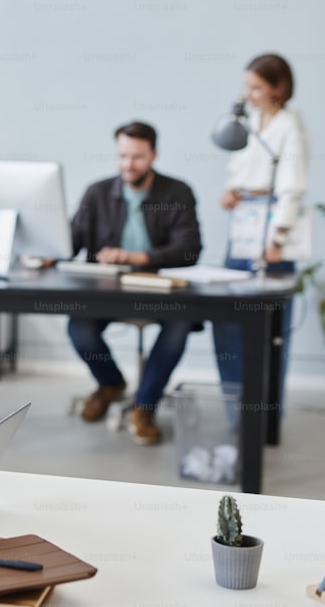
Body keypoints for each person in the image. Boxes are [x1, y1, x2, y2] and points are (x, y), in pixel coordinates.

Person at [68, 121, 202, 444]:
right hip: (106, 290)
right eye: (123, 156)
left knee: (178, 327)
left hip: (159, 289)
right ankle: (111, 384)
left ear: (153, 155)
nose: (129, 165)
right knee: (79, 329)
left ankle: (145, 405)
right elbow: (70, 242)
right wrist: (46, 252)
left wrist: (137, 257)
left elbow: (190, 249)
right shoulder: (96, 192)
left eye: (138, 157)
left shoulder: (177, 192)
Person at [213, 53, 308, 409]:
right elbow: (240, 170)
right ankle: (237, 410)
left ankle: (265, 416)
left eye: (256, 87)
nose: (248, 94)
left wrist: (278, 239)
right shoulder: (247, 123)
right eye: (246, 86)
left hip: (271, 242)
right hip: (242, 231)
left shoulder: (289, 126)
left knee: (269, 333)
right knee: (228, 321)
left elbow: (292, 188)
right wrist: (232, 190)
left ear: (278, 88)